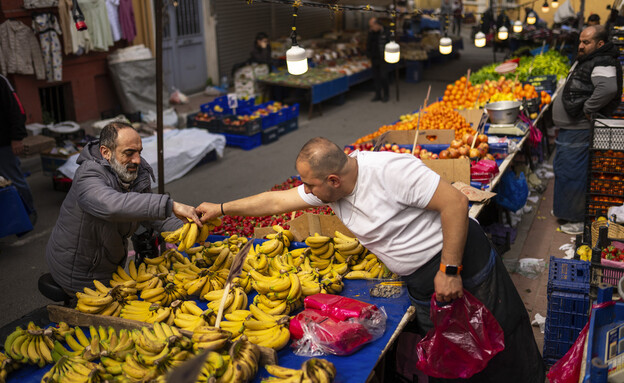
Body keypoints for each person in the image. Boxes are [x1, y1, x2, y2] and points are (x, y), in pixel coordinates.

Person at [196, 137, 545, 382]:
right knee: (453, 352)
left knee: (498, 340)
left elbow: (454, 203)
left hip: (461, 263)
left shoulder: (389, 171)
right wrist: (222, 208)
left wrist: (449, 269)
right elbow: (276, 202)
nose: (307, 191)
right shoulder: (330, 190)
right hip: (424, 282)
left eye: (311, 185)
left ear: (333, 179)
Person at [45, 121, 201, 294]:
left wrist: (189, 227)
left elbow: (148, 213)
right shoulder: (88, 175)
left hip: (109, 264)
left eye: (139, 152)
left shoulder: (133, 172)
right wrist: (170, 205)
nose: (137, 160)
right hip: (78, 271)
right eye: (129, 153)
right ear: (106, 152)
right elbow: (111, 205)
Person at [552, 25, 623, 234]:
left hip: (578, 128)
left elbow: (608, 88)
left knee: (573, 172)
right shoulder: (592, 58)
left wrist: (588, 108)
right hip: (571, 128)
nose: (581, 46)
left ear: (600, 44)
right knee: (565, 170)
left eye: (586, 42)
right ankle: (566, 212)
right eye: (580, 41)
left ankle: (575, 220)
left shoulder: (603, 60)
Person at [0, 74, 37, 228]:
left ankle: (29, 212)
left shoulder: (1, 81)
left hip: (3, 143)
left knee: (13, 178)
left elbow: (18, 110)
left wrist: (17, 138)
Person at [366, 17, 390, 103]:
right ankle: (378, 95)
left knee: (384, 77)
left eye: (372, 26)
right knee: (376, 77)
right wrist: (368, 53)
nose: (371, 28)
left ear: (377, 25)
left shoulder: (386, 32)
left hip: (383, 58)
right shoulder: (371, 32)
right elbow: (368, 43)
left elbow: (390, 44)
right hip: (374, 58)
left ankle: (386, 95)